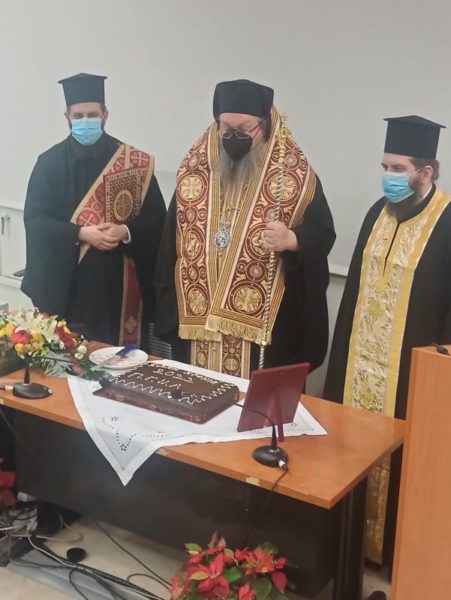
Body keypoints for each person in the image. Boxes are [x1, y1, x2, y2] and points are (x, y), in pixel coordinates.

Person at [324, 115, 451, 600]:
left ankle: (396, 553)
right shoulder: (377, 212)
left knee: (407, 464)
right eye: (384, 167)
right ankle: (347, 547)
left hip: (411, 378)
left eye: (398, 168)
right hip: (359, 368)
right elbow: (354, 294)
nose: (388, 177)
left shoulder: (448, 222)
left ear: (426, 171)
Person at [154, 79, 335, 377]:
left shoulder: (295, 178)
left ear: (265, 125)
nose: (233, 137)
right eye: (225, 129)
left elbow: (323, 234)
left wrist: (293, 240)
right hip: (198, 323)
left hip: (264, 330)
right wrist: (169, 312)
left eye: (244, 130)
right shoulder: (194, 174)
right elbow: (169, 246)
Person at [21, 73, 166, 349]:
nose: (85, 121)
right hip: (70, 288)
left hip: (120, 289)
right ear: (67, 116)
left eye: (92, 115)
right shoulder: (49, 164)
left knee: (122, 361)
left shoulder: (133, 162)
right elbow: (36, 221)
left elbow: (158, 219)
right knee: (72, 359)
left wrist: (125, 231)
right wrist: (80, 233)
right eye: (78, 116)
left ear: (105, 115)